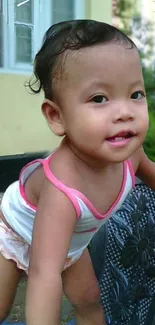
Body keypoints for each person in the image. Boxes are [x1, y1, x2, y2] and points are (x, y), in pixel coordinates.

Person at [0, 19, 155, 325]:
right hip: (16, 233)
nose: (125, 112)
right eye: (99, 99)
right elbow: (45, 277)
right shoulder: (63, 191)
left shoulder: (131, 155)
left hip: (71, 240)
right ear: (56, 116)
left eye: (136, 94)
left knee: (89, 301)